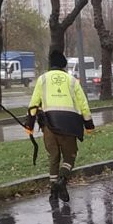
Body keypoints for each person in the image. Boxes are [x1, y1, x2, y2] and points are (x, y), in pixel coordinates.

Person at [26, 49, 94, 203]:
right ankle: (62, 181)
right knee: (70, 156)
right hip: (69, 125)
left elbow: (34, 104)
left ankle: (53, 191)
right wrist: (88, 124)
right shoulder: (71, 81)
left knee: (53, 158)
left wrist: (29, 125)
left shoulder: (42, 79)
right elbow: (83, 104)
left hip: (49, 125)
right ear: (64, 66)